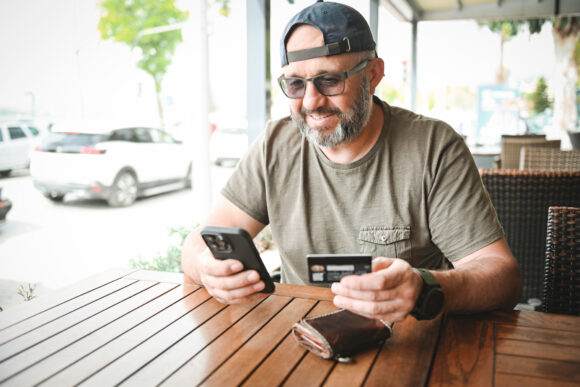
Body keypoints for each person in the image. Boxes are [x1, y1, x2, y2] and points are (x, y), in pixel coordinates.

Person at [181, 0, 522, 322]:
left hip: (407, 344)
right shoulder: (275, 145)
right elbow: (200, 241)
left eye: (329, 80)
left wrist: (424, 288)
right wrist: (206, 267)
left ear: (373, 74)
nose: (311, 101)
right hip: (295, 342)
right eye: (296, 84)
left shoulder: (433, 147)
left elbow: (502, 275)